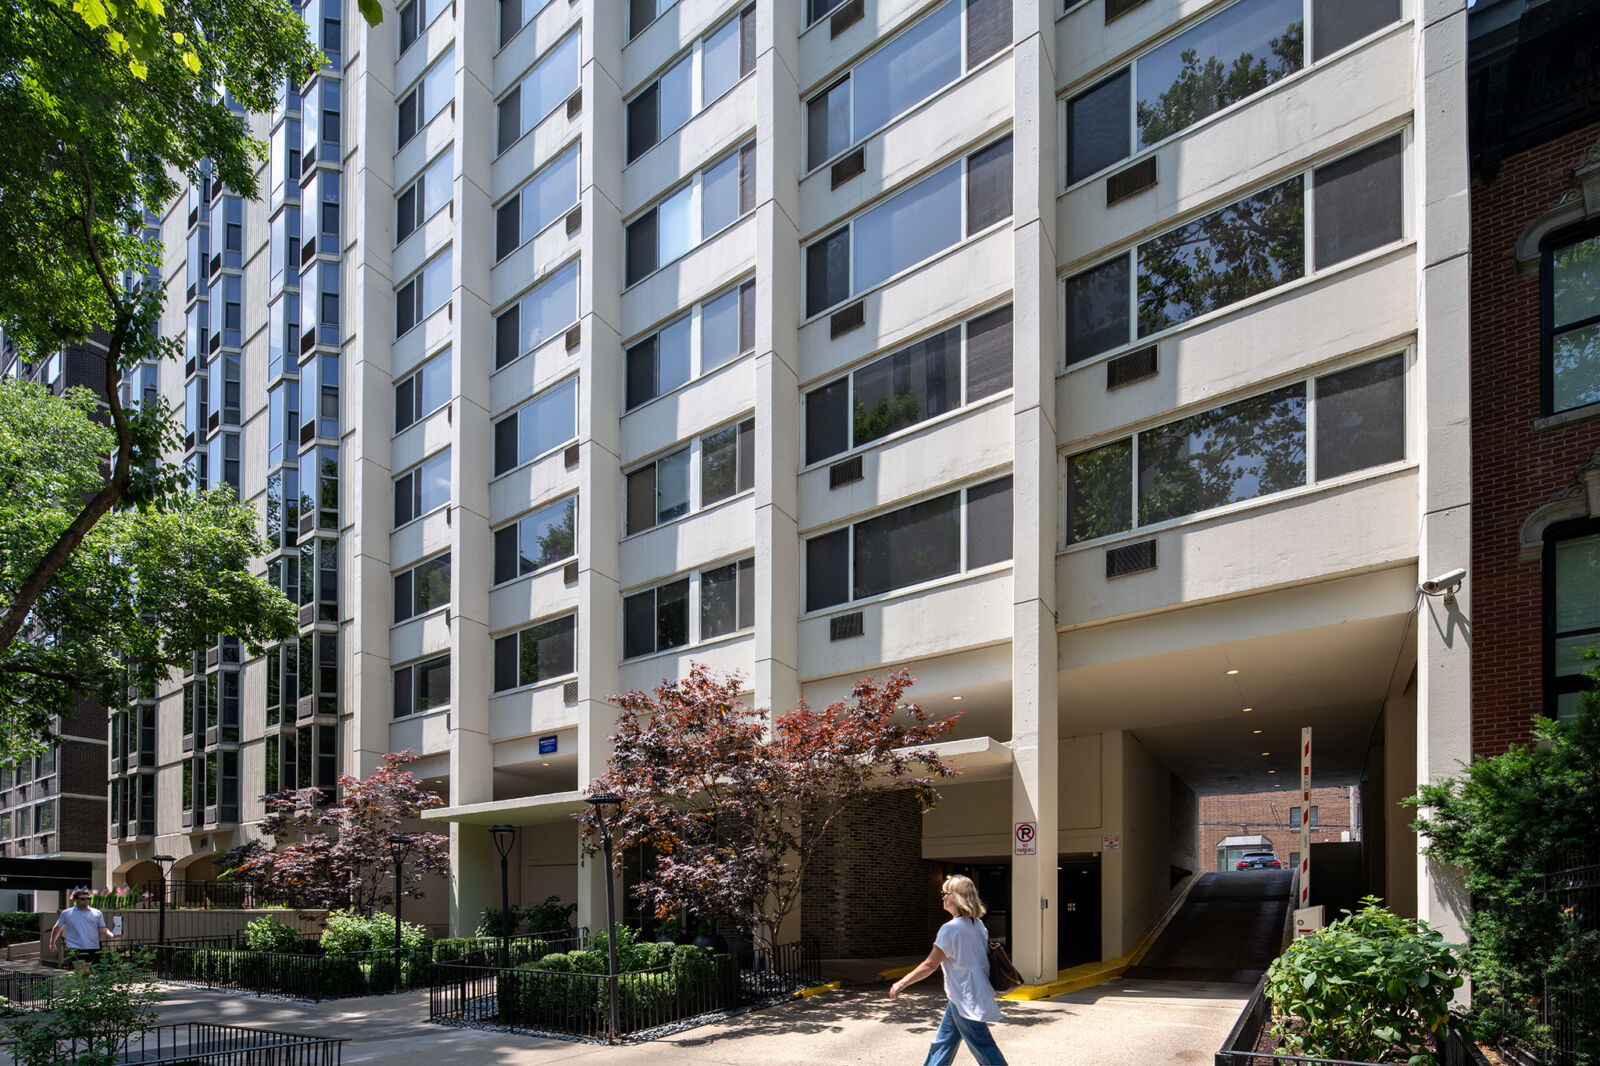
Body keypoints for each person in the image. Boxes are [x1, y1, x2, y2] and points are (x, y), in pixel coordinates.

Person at [889, 874, 1009, 1066]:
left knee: (983, 1046)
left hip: (966, 998)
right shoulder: (978, 925)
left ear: (956, 897)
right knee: (943, 1044)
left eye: (945, 893)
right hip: (965, 995)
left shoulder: (951, 928)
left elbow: (930, 965)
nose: (942, 897)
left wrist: (902, 983)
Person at [49, 889, 118, 965]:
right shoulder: (66, 913)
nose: (86, 901)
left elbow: (102, 928)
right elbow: (57, 927)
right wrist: (52, 943)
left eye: (88, 898)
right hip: (74, 946)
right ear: (76, 900)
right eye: (83, 899)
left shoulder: (97, 913)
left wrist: (111, 934)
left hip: (92, 946)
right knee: (80, 970)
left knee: (85, 971)